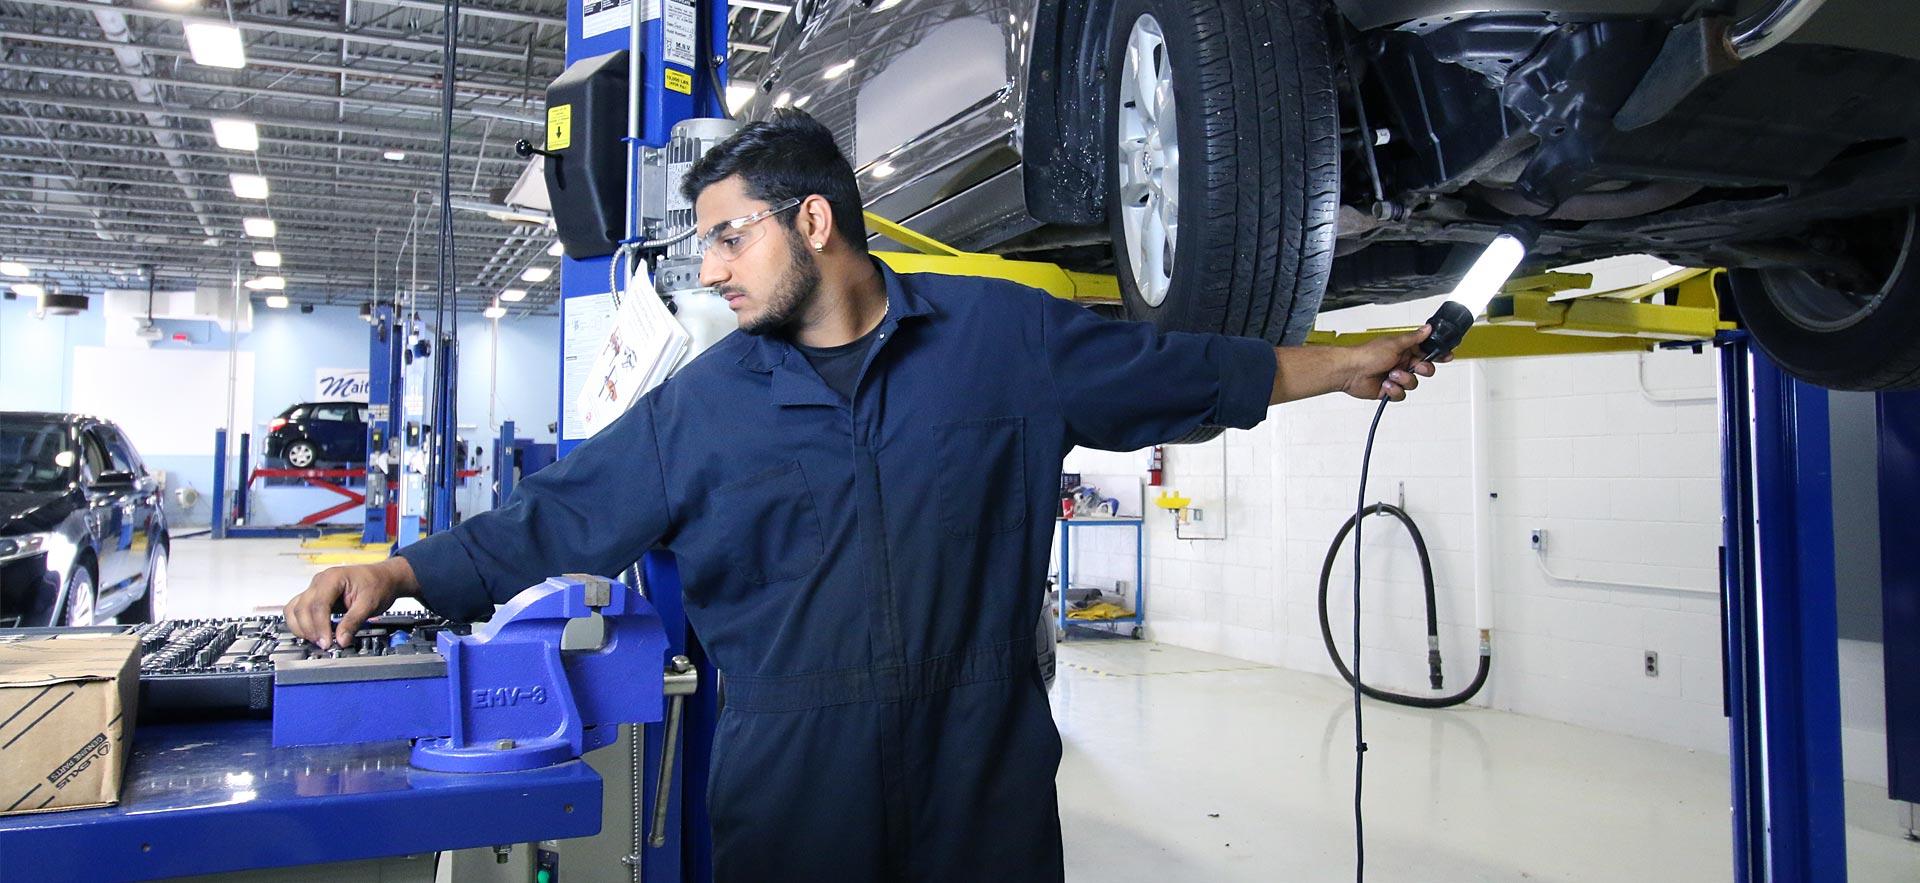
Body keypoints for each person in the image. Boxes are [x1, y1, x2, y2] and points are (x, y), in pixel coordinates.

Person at [283, 109, 1445, 881]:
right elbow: (557, 514)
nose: (715, 271)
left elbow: (1183, 374)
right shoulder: (704, 405)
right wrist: (396, 569)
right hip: (796, 790)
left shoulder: (1003, 340)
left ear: (815, 221)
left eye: (730, 238)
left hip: (981, 773)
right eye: (705, 251)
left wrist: (1342, 364)